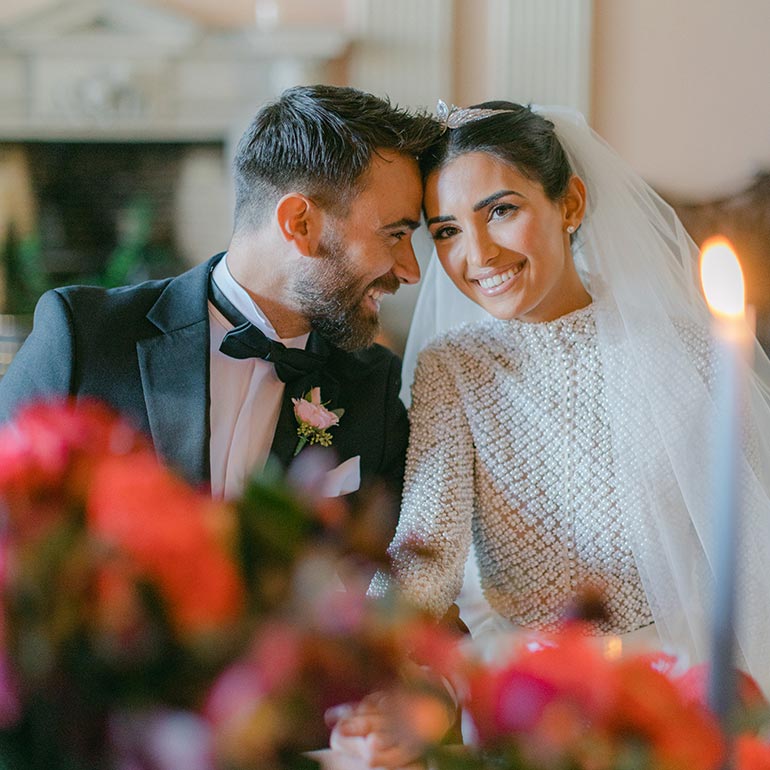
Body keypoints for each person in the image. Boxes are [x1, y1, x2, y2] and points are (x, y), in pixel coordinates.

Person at [330, 101, 770, 767]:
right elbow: (425, 551)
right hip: (528, 710)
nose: (478, 255)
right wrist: (368, 672)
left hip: (680, 696)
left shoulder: (683, 348)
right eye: (446, 231)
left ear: (571, 205)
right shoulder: (453, 370)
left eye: (501, 210)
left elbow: (749, 550)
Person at [0, 85, 439, 510]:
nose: (410, 270)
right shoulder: (85, 338)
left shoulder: (374, 387)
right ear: (299, 223)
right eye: (395, 234)